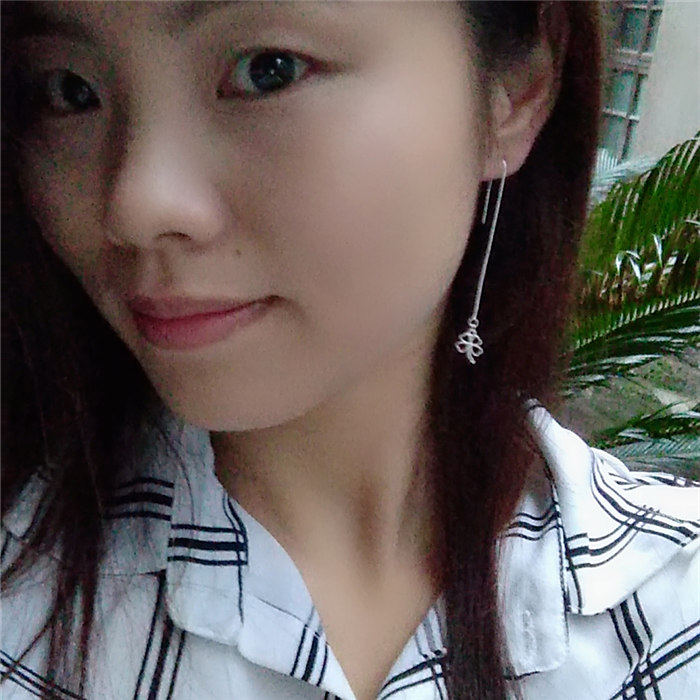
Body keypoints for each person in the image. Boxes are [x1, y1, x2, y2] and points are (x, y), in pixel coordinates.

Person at [1, 2, 697, 699]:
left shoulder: (674, 609)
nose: (136, 205)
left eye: (268, 70)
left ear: (512, 93)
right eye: (69, 90)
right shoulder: (21, 600)